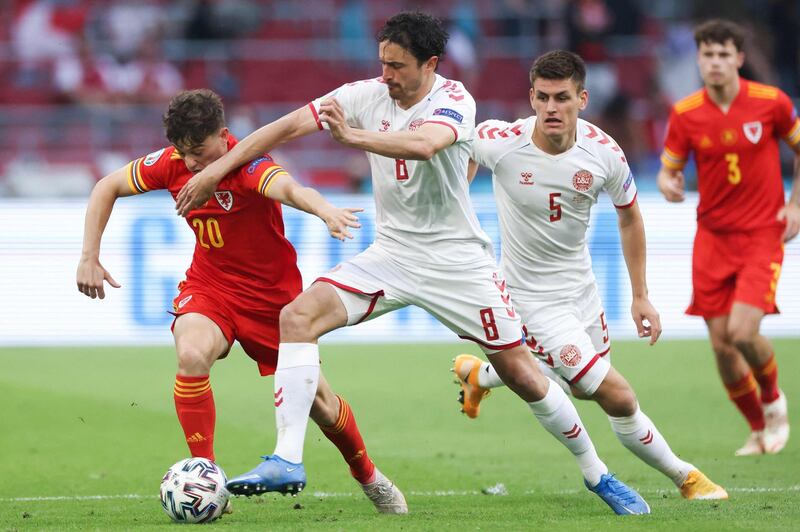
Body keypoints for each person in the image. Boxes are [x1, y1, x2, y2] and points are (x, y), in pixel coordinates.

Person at [176, 12, 650, 515]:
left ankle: (597, 474)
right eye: (382, 63)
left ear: (429, 64)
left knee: (523, 375)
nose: (386, 75)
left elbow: (425, 145)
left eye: (397, 66)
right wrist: (219, 170)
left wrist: (353, 139)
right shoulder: (364, 95)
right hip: (393, 253)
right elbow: (285, 127)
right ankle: (287, 458)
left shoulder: (455, 99)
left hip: (457, 262)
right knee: (295, 317)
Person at [76, 89, 408, 514]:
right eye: (184, 152)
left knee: (321, 406)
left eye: (199, 150)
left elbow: (289, 188)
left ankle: (370, 477)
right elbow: (107, 186)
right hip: (211, 288)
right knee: (192, 354)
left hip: (273, 303)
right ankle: (207, 477)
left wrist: (324, 209)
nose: (192, 163)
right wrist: (89, 256)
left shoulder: (248, 165)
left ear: (224, 135)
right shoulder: (172, 164)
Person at [451, 50, 727, 501]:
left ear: (583, 99)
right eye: (542, 98)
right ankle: (687, 479)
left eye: (561, 98)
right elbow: (460, 151)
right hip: (528, 299)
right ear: (531, 98)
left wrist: (640, 296)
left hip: (582, 293)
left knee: (578, 388)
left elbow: (630, 217)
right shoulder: (501, 141)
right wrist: (458, 201)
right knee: (616, 395)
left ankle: (479, 376)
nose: (550, 108)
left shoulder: (604, 154)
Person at [657, 19, 799, 456]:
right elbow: (669, 168)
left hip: (760, 234)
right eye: (708, 55)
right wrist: (667, 183)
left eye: (723, 55)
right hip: (712, 238)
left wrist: (794, 205)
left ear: (738, 58)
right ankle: (757, 429)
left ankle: (774, 402)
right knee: (720, 345)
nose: (715, 63)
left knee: (741, 332)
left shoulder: (770, 103)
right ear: (698, 60)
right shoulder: (685, 114)